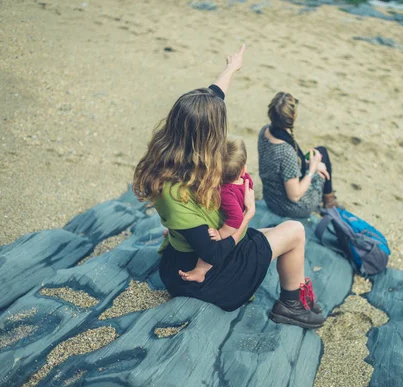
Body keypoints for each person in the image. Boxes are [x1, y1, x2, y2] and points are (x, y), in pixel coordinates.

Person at [133, 45, 324, 329]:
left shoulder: (173, 155)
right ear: (208, 135)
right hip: (204, 279)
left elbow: (212, 99)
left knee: (270, 233)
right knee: (295, 231)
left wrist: (231, 69)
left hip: (191, 256)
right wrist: (247, 214)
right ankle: (291, 305)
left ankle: (292, 295)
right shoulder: (177, 192)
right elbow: (214, 254)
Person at [179, 137, 254, 283]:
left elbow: (237, 218)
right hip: (236, 219)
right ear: (243, 169)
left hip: (232, 227)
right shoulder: (245, 178)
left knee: (212, 242)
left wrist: (221, 233)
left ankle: (201, 271)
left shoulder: (226, 192)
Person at [258, 92, 342, 219]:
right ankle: (329, 202)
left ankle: (328, 199)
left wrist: (308, 164)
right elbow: (295, 196)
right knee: (321, 160)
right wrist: (312, 169)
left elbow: (277, 166)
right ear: (292, 116)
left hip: (271, 197)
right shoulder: (286, 152)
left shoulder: (265, 131)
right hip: (291, 207)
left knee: (320, 152)